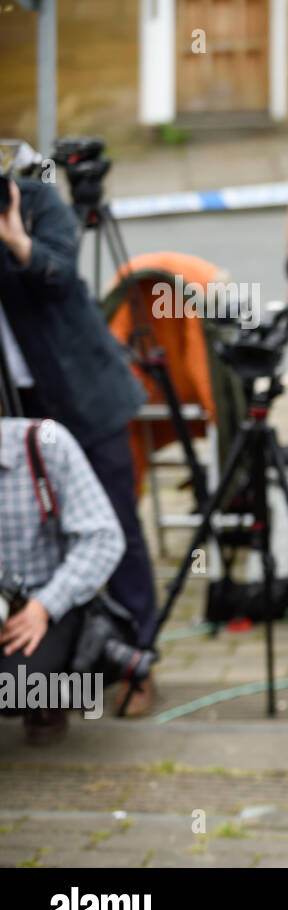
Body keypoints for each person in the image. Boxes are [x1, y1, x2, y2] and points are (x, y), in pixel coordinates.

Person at [0, 175, 157, 716]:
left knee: (115, 525)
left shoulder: (32, 197)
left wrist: (16, 238)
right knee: (37, 532)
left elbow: (62, 275)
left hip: (85, 395)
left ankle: (138, 658)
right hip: (17, 405)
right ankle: (50, 673)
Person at [0, 416, 125, 745]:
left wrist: (44, 606)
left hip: (42, 599)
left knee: (17, 688)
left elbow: (104, 537)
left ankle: (52, 698)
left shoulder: (45, 443)